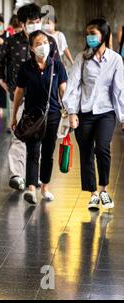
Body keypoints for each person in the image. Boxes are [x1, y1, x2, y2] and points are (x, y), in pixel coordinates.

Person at [0, 3, 60, 191]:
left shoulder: (50, 42)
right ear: (22, 24)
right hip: (19, 95)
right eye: (31, 22)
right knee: (20, 135)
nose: (35, 25)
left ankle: (33, 175)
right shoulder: (12, 41)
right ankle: (17, 174)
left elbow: (56, 67)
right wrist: (2, 80)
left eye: (38, 21)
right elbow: (0, 60)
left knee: (38, 134)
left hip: (43, 99)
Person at [63, 18, 124, 210]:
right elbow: (73, 86)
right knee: (87, 152)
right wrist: (72, 112)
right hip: (85, 112)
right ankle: (93, 194)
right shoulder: (82, 58)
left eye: (93, 34)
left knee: (103, 148)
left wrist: (123, 117)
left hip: (106, 112)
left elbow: (119, 90)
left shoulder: (115, 59)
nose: (89, 37)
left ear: (104, 35)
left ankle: (104, 189)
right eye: (88, 34)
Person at [10, 30, 68, 204]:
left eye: (45, 42)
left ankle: (45, 187)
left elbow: (64, 91)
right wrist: (14, 116)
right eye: (38, 43)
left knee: (48, 153)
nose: (43, 46)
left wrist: (68, 114)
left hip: (52, 115)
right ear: (31, 48)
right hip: (31, 117)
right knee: (33, 152)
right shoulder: (26, 67)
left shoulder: (57, 66)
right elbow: (19, 92)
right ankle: (31, 189)